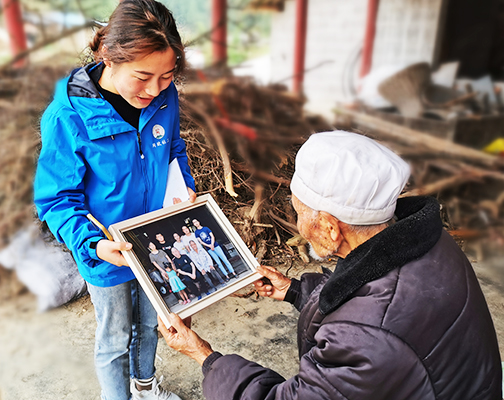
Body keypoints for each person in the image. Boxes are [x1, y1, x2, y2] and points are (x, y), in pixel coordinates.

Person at [159, 131, 502, 399]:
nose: (297, 223)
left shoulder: (365, 342)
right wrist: (296, 291)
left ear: (329, 227)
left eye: (298, 211)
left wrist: (205, 356)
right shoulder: (431, 243)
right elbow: (369, 295)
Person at [33, 1, 196, 399]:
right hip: (106, 250)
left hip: (157, 241)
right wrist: (93, 245)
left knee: (153, 321)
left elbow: (173, 149)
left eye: (167, 76)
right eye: (143, 77)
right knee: (115, 334)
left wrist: (183, 187)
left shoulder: (164, 98)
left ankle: (145, 387)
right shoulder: (68, 116)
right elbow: (57, 199)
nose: (155, 89)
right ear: (107, 56)